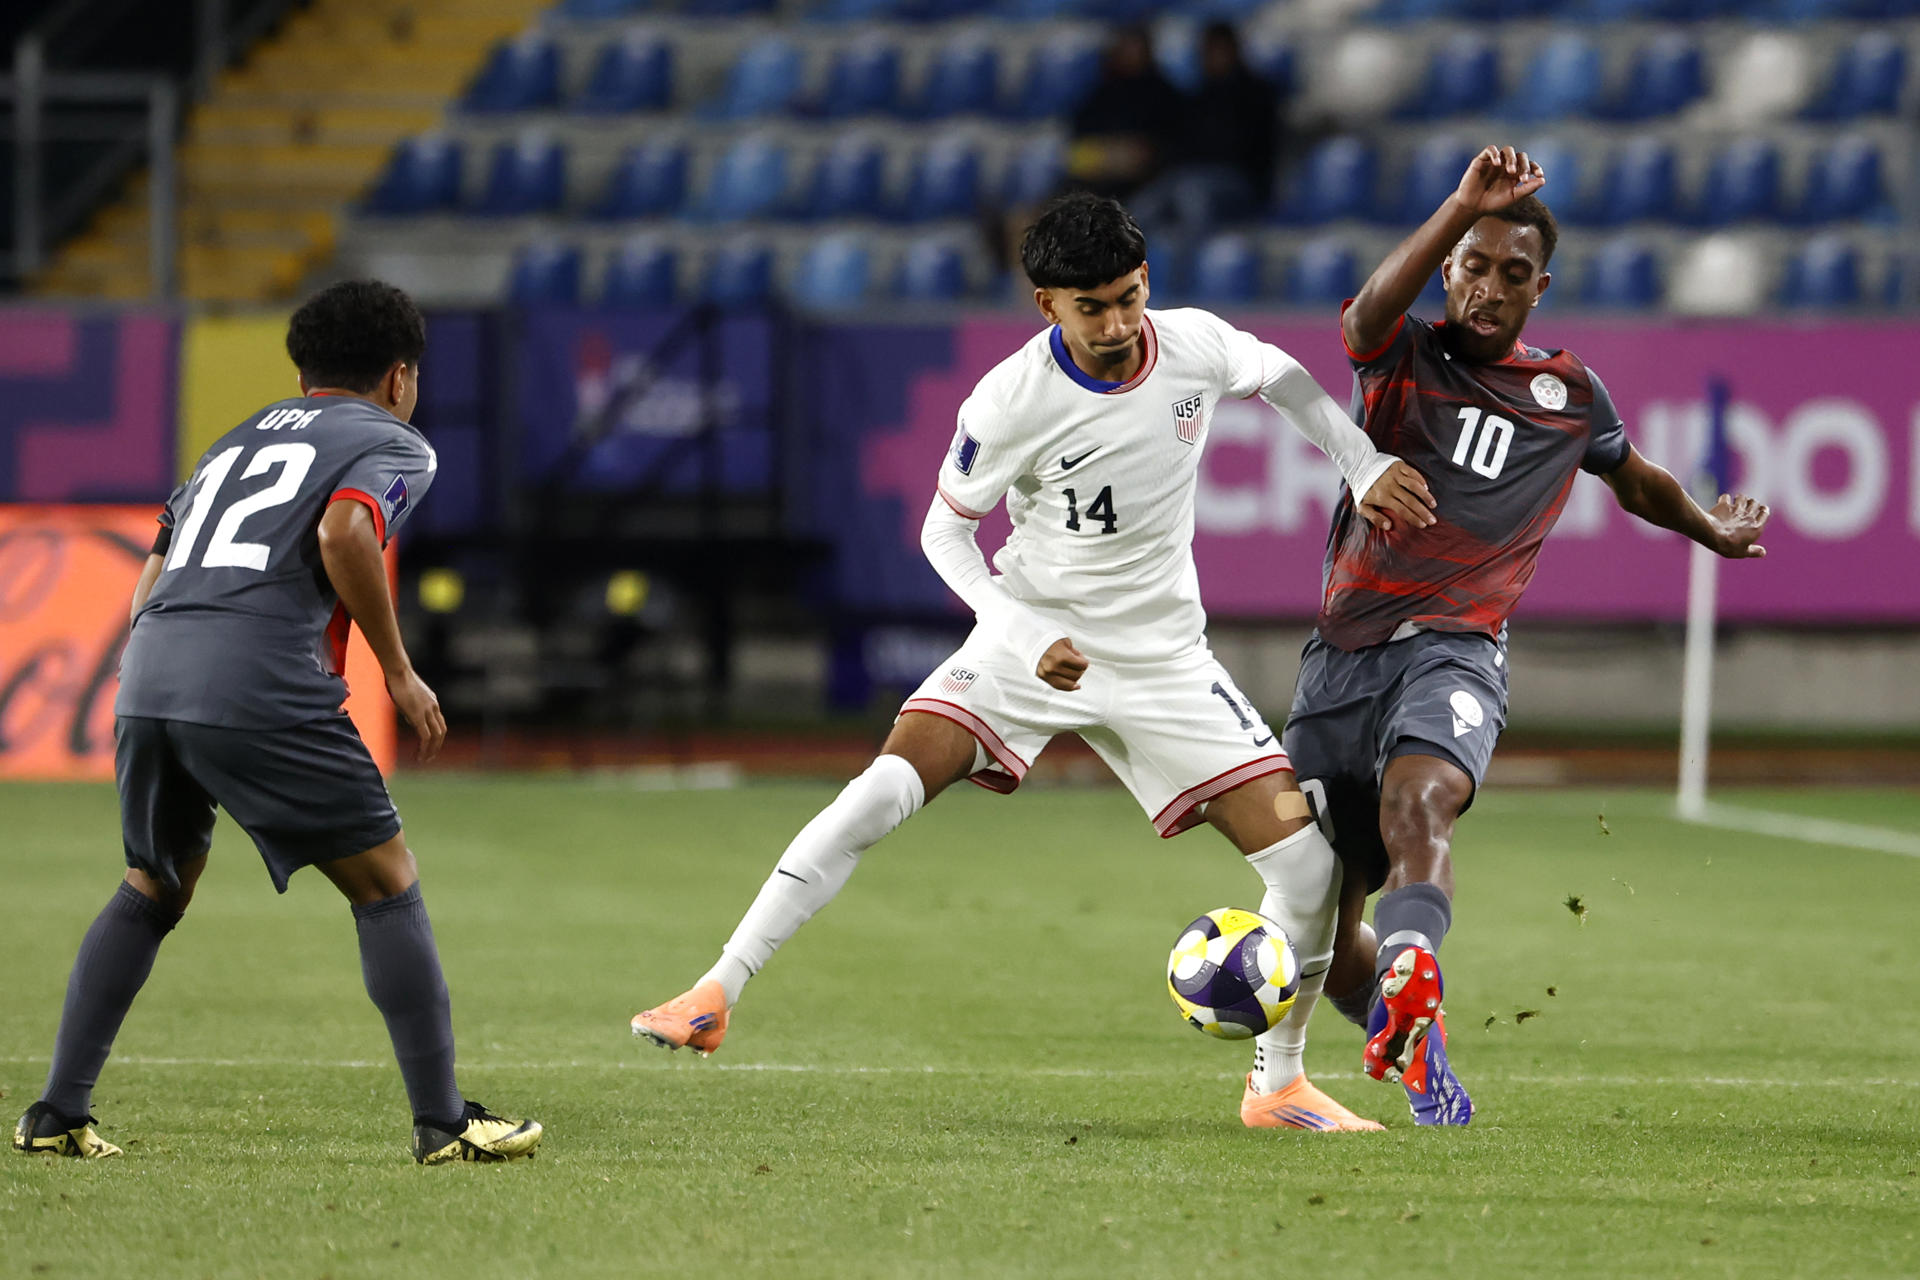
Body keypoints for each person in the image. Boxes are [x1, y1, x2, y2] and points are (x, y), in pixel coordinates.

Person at [631, 192, 1437, 1133]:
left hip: (1163, 658)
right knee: (877, 794)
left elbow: (1285, 376)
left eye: (1129, 297)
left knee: (1306, 871)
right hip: (1029, 642)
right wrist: (1018, 633)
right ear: (1044, 304)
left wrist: (1360, 461)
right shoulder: (1010, 401)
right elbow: (945, 532)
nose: (1117, 323)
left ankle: (1277, 1086)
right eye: (1090, 306)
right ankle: (714, 992)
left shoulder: (1194, 345)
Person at [1284, 147, 1771, 1126]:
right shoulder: (1403, 357)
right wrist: (1462, 203)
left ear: (1540, 289)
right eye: (1473, 264)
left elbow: (1636, 477)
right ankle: (1417, 1045)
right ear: (1449, 267)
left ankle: (1416, 958)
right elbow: (1359, 319)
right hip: (1340, 659)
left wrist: (1709, 529)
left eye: (1514, 273)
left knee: (1418, 804)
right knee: (1321, 930)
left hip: (1457, 647)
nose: (1489, 287)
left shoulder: (1569, 395)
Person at [11, 281, 541, 1166]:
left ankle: (57, 1112)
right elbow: (345, 536)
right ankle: (443, 1121)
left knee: (154, 881)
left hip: (147, 667)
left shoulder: (234, 439)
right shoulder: (393, 441)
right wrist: (401, 675)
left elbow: (157, 564)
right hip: (255, 674)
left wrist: (154, 664)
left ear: (304, 372)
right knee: (386, 880)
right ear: (399, 376)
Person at [1130, 22, 1280, 238]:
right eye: (1207, 51)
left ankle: (1191, 268)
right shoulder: (1200, 96)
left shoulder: (1256, 93)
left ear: (1234, 50)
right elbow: (1182, 144)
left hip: (1241, 182)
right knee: (1139, 209)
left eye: (1218, 50)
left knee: (1192, 193)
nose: (1212, 57)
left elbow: (1246, 149)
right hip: (1190, 175)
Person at [1065, 26, 1186, 202]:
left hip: (1147, 185)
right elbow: (1077, 149)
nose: (1130, 54)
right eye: (1126, 47)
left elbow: (1169, 145)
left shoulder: (1164, 94)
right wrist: (1108, 154)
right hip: (1094, 182)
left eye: (1136, 47)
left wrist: (1141, 153)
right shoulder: (1101, 94)